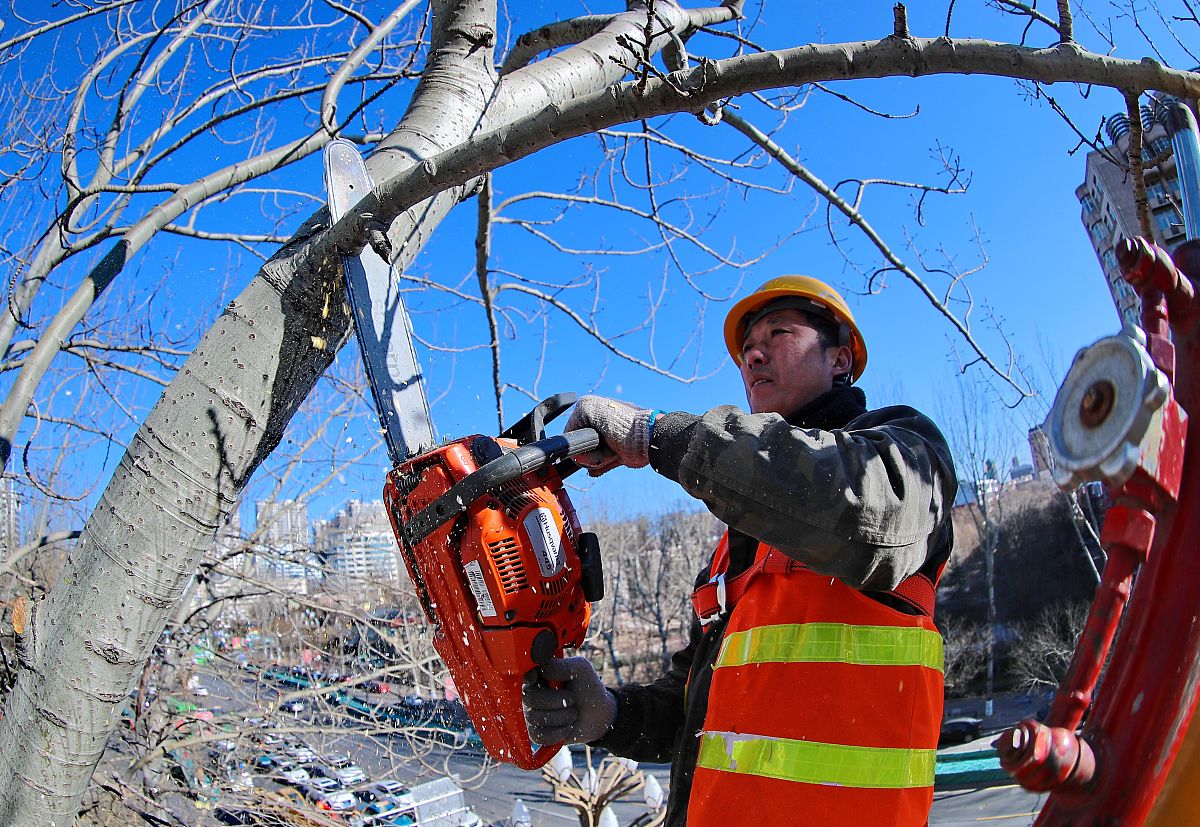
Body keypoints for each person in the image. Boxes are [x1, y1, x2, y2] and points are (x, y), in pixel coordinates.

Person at [522, 276, 957, 826]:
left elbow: (850, 507)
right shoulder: (737, 550)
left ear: (841, 358)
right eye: (746, 347)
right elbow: (693, 714)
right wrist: (610, 715)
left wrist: (655, 435)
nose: (753, 353)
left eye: (778, 333)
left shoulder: (906, 457)